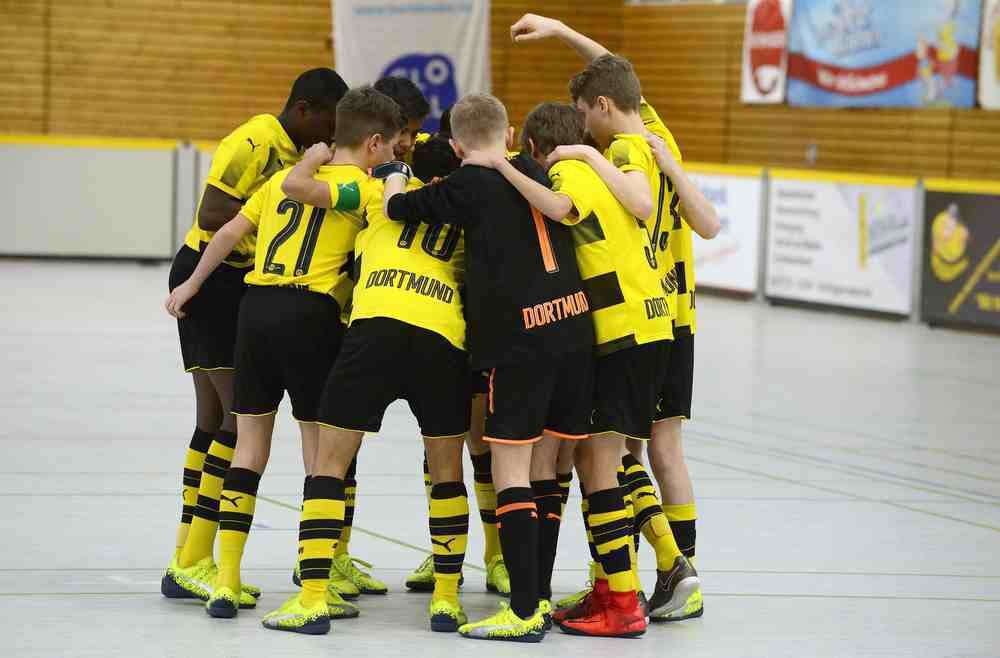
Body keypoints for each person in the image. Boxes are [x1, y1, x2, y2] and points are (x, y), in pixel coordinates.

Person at [167, 85, 405, 633]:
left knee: (248, 446)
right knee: (320, 453)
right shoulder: (364, 191)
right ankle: (313, 575)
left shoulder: (278, 179)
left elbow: (225, 231)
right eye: (390, 148)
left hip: (254, 310)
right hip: (310, 316)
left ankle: (225, 579)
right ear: (373, 143)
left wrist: (192, 286)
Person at [510, 13, 720, 623]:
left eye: (588, 114)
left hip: (637, 316)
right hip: (670, 313)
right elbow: (617, 77)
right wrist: (558, 30)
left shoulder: (621, 152)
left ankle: (665, 573)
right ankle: (643, 577)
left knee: (620, 456)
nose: (586, 126)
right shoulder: (657, 140)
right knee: (648, 453)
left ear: (600, 109)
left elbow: (616, 97)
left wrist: (576, 149)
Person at [382, 93, 595, 642]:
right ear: (509, 135)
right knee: (548, 471)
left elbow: (395, 209)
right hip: (574, 329)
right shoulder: (533, 167)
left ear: (454, 146)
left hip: (519, 343)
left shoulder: (462, 184)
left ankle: (522, 612)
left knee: (511, 473)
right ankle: (539, 597)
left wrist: (394, 176)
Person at [471, 99, 679, 637]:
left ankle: (625, 600)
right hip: (648, 327)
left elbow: (562, 205)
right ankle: (619, 584)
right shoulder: (605, 166)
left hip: (620, 333)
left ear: (535, 149)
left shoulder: (571, 170)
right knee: (596, 461)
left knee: (599, 468)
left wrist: (504, 167)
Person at [162, 68, 349, 607]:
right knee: (232, 423)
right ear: (306, 109)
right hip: (213, 277)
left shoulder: (298, 150)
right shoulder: (254, 140)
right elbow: (213, 213)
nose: (330, 135)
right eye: (328, 123)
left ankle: (188, 556)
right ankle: (192, 560)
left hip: (232, 284)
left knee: (213, 421)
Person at [283, 132, 473, 633]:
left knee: (330, 462)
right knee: (447, 472)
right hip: (442, 336)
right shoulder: (470, 209)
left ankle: (312, 598)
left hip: (376, 326)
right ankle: (447, 601)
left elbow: (303, 191)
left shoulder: (376, 191)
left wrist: (319, 159)